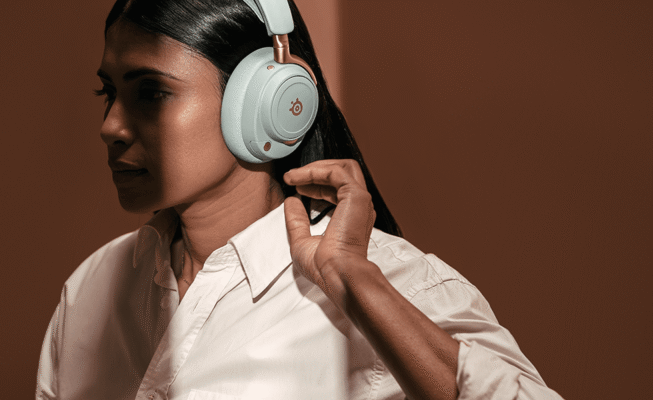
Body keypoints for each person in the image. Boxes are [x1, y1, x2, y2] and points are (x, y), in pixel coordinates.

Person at [36, 1, 565, 399]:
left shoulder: (391, 283)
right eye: (108, 93)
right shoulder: (91, 290)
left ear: (268, 103)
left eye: (151, 92)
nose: (111, 127)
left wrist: (357, 285)